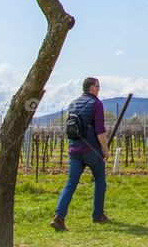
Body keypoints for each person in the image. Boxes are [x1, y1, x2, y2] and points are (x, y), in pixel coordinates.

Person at [51, 77, 111, 230]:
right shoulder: (96, 104)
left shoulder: (73, 104)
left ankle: (59, 217)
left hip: (74, 149)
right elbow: (99, 129)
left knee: (71, 183)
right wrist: (105, 148)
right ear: (91, 87)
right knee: (100, 181)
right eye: (98, 86)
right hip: (91, 149)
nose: (99, 89)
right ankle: (98, 215)